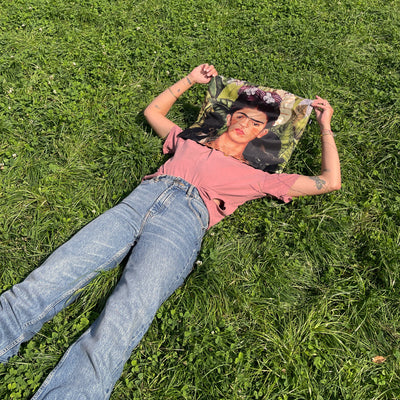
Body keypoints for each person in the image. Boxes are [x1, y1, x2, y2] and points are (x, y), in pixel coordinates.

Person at [0, 64, 340, 399]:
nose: (245, 124)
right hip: (135, 206)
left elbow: (329, 181)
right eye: (241, 116)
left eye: (256, 122)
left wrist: (325, 127)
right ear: (230, 117)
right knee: (50, 277)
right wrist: (191, 80)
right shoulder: (189, 141)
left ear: (262, 132)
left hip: (183, 226)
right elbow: (153, 112)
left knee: (126, 315)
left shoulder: (261, 177)